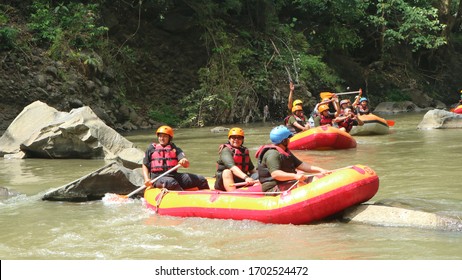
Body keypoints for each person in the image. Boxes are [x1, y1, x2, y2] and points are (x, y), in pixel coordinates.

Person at [256, 126, 329, 193]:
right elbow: (275, 174)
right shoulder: (272, 154)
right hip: (272, 188)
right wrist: (294, 176)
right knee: (302, 185)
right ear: (284, 141)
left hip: (286, 182)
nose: (290, 140)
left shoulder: (286, 152)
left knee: (314, 179)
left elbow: (302, 165)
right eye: (288, 138)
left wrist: (320, 170)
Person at [142, 125, 209, 191]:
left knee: (201, 179)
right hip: (157, 178)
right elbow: (145, 164)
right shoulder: (151, 149)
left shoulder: (175, 149)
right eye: (160, 136)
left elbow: (186, 164)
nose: (162, 138)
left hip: (174, 176)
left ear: (169, 138)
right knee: (171, 182)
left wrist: (184, 161)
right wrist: (146, 179)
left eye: (165, 136)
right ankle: (183, 198)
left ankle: (208, 198)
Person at [215, 127, 258, 192]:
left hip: (240, 180)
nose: (236, 140)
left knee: (259, 174)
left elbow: (251, 169)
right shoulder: (226, 150)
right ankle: (233, 194)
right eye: (233, 137)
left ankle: (257, 192)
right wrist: (246, 177)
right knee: (227, 172)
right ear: (229, 139)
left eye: (239, 138)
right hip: (224, 181)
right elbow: (232, 167)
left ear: (242, 140)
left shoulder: (244, 151)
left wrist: (262, 176)